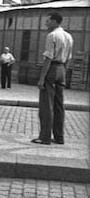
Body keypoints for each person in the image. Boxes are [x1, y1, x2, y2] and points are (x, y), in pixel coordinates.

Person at [31, 12, 73, 145]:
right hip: (61, 69)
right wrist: (63, 73)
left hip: (52, 68)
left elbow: (48, 58)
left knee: (46, 105)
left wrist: (42, 78)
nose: (46, 23)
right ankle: (59, 137)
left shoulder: (52, 35)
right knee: (59, 105)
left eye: (48, 21)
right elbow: (69, 58)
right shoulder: (68, 36)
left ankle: (45, 137)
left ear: (55, 21)